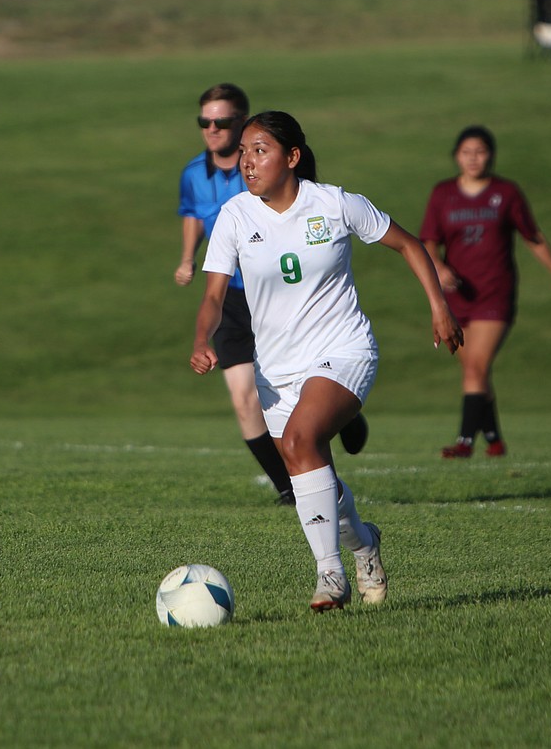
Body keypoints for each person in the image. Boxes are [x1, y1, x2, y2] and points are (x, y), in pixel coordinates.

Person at [190, 111, 463, 611]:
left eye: (260, 150)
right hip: (276, 369)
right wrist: (201, 339)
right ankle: (364, 544)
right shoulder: (234, 216)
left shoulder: (335, 203)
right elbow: (212, 296)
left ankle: (329, 578)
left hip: (344, 350)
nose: (247, 162)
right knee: (312, 476)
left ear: (292, 157)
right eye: (245, 152)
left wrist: (439, 307)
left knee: (299, 440)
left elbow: (409, 245)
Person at [176, 84, 368, 506]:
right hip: (233, 296)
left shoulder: (270, 166)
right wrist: (189, 256)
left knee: (304, 391)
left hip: (282, 296)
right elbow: (193, 215)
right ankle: (289, 486)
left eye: (223, 121)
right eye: (204, 121)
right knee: (245, 399)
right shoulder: (194, 173)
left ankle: (341, 410)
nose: (212, 129)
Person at [420, 126, 551, 459]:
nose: (473, 158)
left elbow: (533, 236)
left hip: (494, 294)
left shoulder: (506, 193)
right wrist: (438, 267)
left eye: (480, 151)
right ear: (456, 155)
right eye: (467, 152)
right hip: (457, 298)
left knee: (476, 368)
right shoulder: (443, 194)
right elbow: (428, 240)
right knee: (476, 372)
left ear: (491, 155)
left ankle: (465, 442)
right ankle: (495, 440)